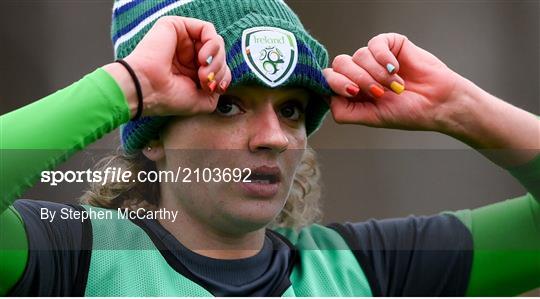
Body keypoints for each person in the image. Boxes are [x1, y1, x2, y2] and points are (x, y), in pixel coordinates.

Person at [1, 0, 539, 296]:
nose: (274, 137)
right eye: (228, 105)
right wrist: (128, 87)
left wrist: (459, 108)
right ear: (155, 137)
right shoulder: (75, 260)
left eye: (291, 109)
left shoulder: (358, 273)